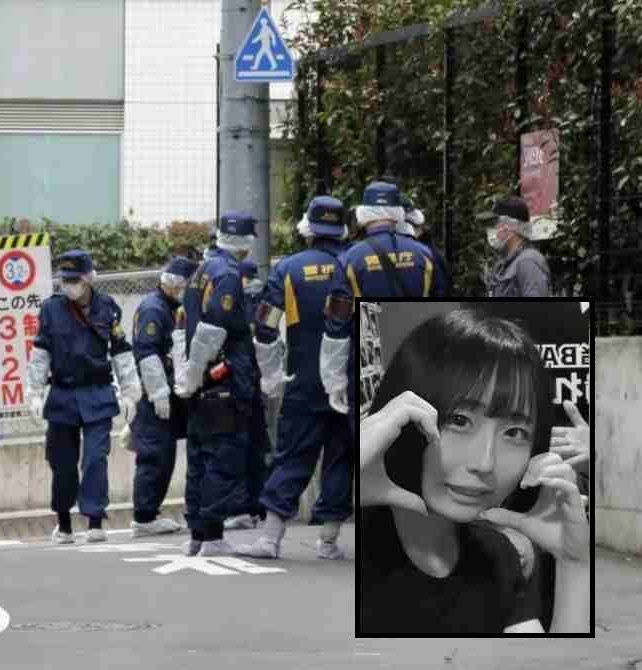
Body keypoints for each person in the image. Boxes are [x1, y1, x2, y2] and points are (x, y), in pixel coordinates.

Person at [359, 308, 590, 634]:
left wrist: (575, 564)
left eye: (514, 433)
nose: (485, 463)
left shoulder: (498, 557)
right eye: (459, 421)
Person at [236, 196, 354, 560]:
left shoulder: (289, 269)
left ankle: (270, 539)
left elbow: (266, 327)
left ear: (308, 229)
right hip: (351, 380)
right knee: (342, 457)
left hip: (304, 380)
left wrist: (272, 376)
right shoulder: (352, 264)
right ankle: (329, 543)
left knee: (293, 456)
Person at [26, 250, 142, 544]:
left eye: (74, 280)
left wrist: (131, 392)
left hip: (98, 393)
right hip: (62, 395)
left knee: (95, 459)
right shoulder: (51, 309)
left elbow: (121, 352)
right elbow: (40, 355)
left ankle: (94, 520)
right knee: (61, 462)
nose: (69, 285)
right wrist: (35, 393)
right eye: (64, 280)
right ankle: (64, 523)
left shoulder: (107, 307)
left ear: (89, 279)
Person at [174, 211, 258, 557]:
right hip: (223, 378)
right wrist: (194, 372)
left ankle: (198, 534)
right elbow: (213, 331)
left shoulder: (200, 271)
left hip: (203, 384)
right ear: (246, 240)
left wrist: (190, 376)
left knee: (200, 459)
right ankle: (211, 536)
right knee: (223, 457)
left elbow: (185, 327)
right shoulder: (226, 274)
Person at [127, 257, 198, 538]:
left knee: (164, 454)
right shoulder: (154, 309)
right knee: (155, 454)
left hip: (171, 391)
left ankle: (149, 514)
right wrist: (159, 394)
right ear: (173, 284)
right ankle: (144, 517)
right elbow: (147, 353)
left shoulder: (172, 306)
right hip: (158, 394)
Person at [223, 259, 271, 530]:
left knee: (236, 445)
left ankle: (241, 508)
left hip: (238, 383)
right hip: (258, 382)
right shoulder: (264, 301)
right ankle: (257, 506)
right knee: (257, 446)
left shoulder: (234, 303)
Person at [338, 181, 446, 298]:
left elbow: (339, 313)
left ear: (362, 213)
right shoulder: (424, 254)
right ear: (398, 213)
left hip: (370, 316)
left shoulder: (350, 258)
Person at [482, 196, 552, 297]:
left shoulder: (528, 262)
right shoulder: (504, 263)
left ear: (512, 226)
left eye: (494, 224)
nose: (489, 231)